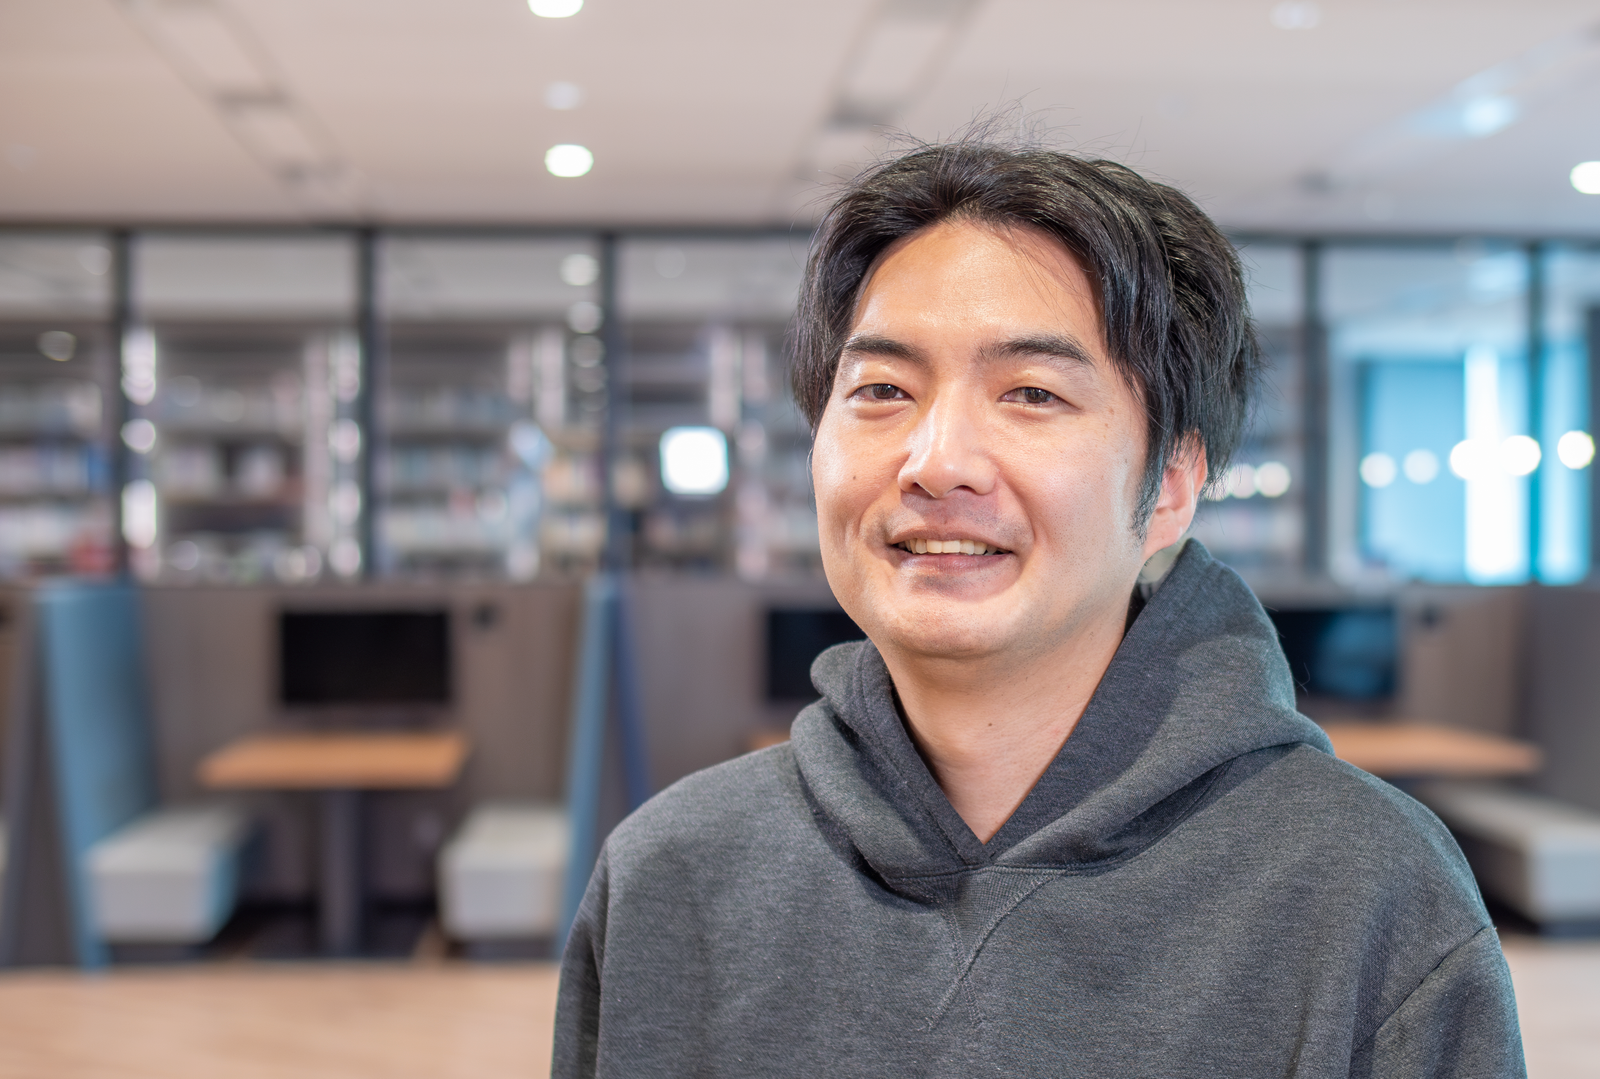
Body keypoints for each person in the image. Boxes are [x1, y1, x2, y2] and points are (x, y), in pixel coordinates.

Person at [552, 141, 1526, 1078]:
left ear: (1172, 483)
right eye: (882, 389)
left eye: (1030, 393)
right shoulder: (671, 876)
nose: (937, 462)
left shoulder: (1367, 895)